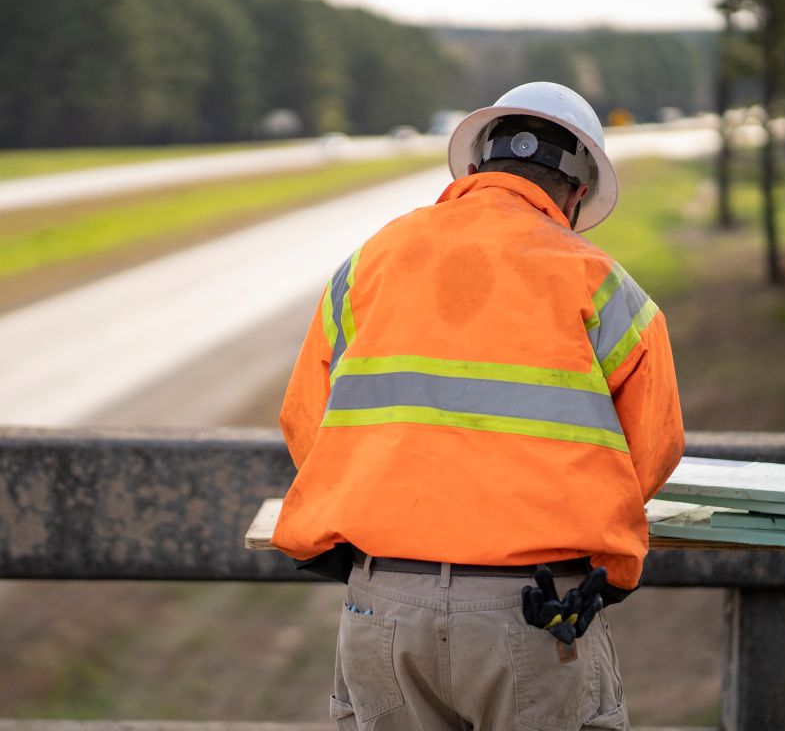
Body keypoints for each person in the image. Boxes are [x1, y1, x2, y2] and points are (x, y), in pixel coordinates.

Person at [270, 81, 685, 731]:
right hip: (534, 611)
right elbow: (653, 452)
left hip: (383, 608)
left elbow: (304, 422)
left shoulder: (367, 264)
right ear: (575, 191)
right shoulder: (604, 288)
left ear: (478, 166)